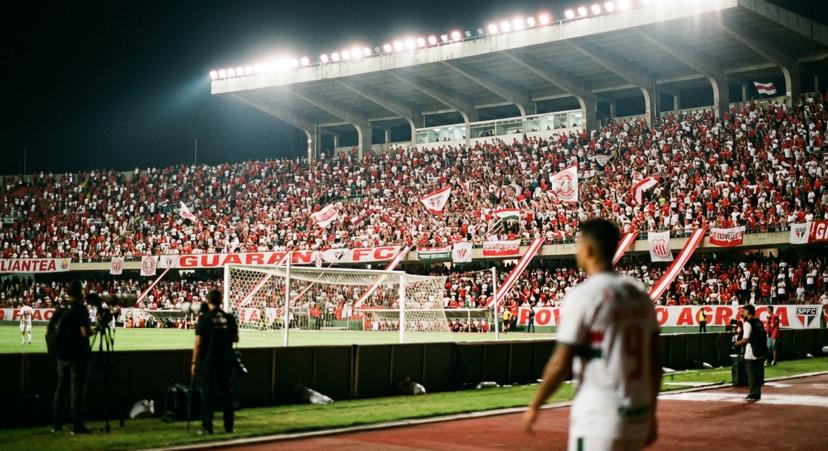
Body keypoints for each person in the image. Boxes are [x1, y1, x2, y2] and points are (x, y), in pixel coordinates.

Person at [524, 219, 661, 450]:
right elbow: (655, 360)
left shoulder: (584, 295)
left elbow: (561, 361)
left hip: (599, 419)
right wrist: (651, 412)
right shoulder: (638, 293)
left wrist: (535, 405)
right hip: (637, 415)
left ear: (587, 249)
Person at [192, 289, 239, 435]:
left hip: (209, 361)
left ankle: (207, 426)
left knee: (208, 395)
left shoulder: (204, 318)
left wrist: (194, 363)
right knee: (227, 394)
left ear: (208, 301)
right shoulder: (229, 318)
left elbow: (198, 343)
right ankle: (229, 426)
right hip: (225, 361)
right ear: (221, 301)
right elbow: (236, 338)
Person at [52, 280, 92, 434]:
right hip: (77, 355)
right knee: (76, 390)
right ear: (80, 293)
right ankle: (76, 426)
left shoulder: (63, 308)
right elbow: (84, 333)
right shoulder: (80, 309)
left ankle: (56, 424)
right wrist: (97, 328)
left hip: (62, 355)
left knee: (61, 389)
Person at [735, 304, 766, 401]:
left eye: (743, 311)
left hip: (751, 352)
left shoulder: (747, 323)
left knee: (751, 375)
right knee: (757, 374)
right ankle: (757, 393)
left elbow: (746, 339)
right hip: (760, 351)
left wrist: (737, 344)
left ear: (748, 312)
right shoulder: (759, 322)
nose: (742, 313)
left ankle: (752, 394)